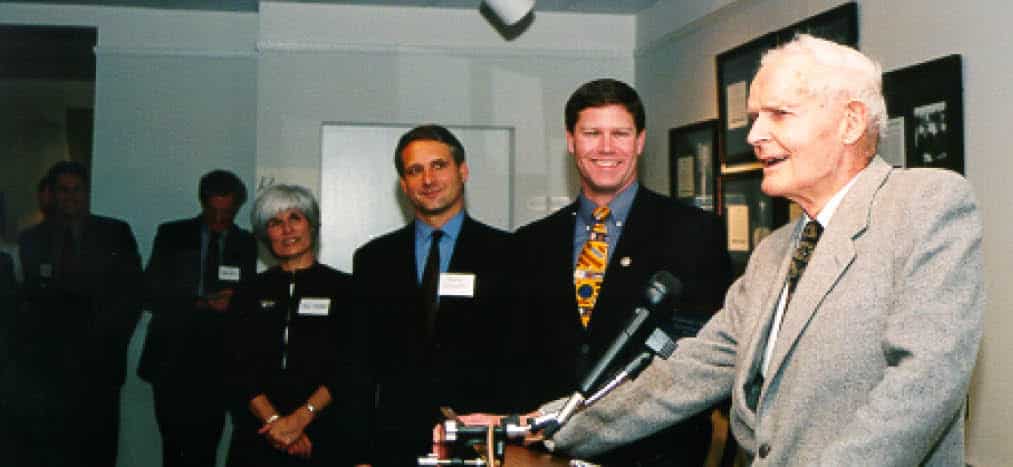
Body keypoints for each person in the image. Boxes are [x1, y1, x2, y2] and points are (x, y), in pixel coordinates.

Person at [541, 35, 984, 466]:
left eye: (779, 114)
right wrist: (546, 426)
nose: (754, 134)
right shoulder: (774, 252)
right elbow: (686, 372)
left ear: (850, 122)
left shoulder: (925, 205)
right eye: (755, 117)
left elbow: (923, 385)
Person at [505, 78, 732, 466]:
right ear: (571, 141)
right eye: (592, 133)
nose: (606, 147)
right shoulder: (529, 243)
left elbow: (699, 357)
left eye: (620, 133)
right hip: (546, 452)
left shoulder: (695, 233)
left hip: (656, 452)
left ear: (640, 141)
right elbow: (513, 357)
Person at [353, 124, 512, 466]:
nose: (428, 179)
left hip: (478, 442)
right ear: (403, 184)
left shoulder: (509, 253)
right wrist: (361, 453)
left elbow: (520, 358)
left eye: (439, 165)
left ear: (463, 171)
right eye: (415, 170)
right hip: (394, 443)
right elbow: (360, 365)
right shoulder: (373, 260)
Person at [224, 184, 369, 467]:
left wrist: (300, 420)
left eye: (295, 218)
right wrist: (277, 424)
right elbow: (236, 364)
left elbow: (350, 363)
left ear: (312, 225)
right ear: (265, 235)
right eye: (275, 223)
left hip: (325, 431)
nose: (287, 230)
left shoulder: (347, 289)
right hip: (261, 431)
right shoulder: (248, 292)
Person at [15, 160, 143, 467]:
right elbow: (29, 303)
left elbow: (132, 294)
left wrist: (109, 342)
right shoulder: (32, 239)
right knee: (53, 447)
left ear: (87, 193)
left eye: (76, 190)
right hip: (50, 367)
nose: (69, 197)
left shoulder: (115, 232)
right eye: (62, 190)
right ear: (52, 194)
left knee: (98, 446)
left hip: (101, 362)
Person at [138, 169, 258, 467]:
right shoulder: (172, 235)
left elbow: (252, 301)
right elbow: (149, 292)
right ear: (202, 203)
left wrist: (236, 302)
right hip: (171, 357)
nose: (219, 219)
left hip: (218, 362)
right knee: (175, 447)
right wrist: (200, 303)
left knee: (207, 446)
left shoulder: (246, 244)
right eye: (213, 211)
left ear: (237, 208)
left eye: (227, 213)